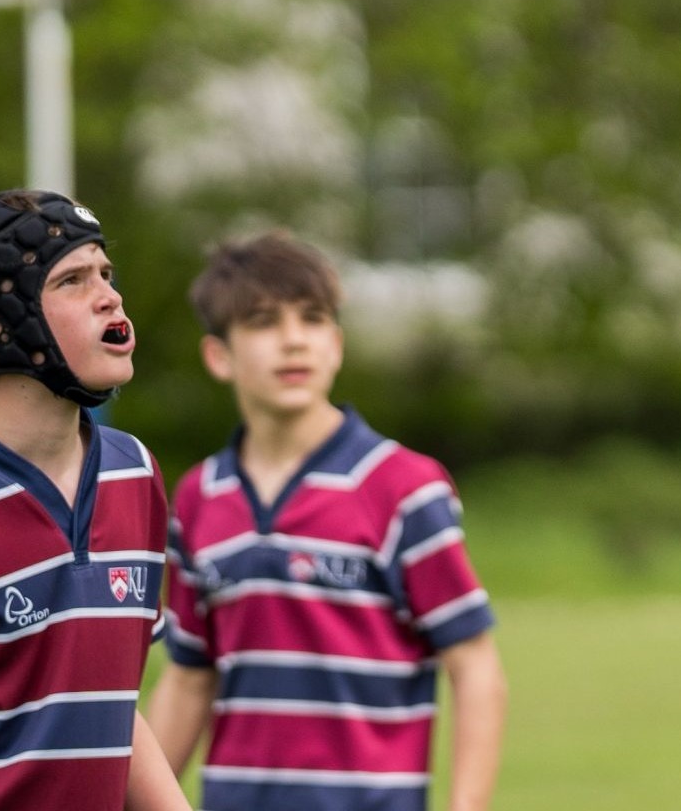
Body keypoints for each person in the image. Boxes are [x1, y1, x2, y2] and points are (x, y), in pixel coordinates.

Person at [145, 230, 506, 811]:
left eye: (311, 319)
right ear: (219, 355)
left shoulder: (402, 488)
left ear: (335, 345)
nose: (293, 342)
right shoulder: (196, 499)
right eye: (262, 322)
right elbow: (189, 678)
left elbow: (474, 664)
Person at [0, 190, 190, 811]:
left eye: (106, 272)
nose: (110, 296)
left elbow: (104, 702)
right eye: (72, 280)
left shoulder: (135, 473)